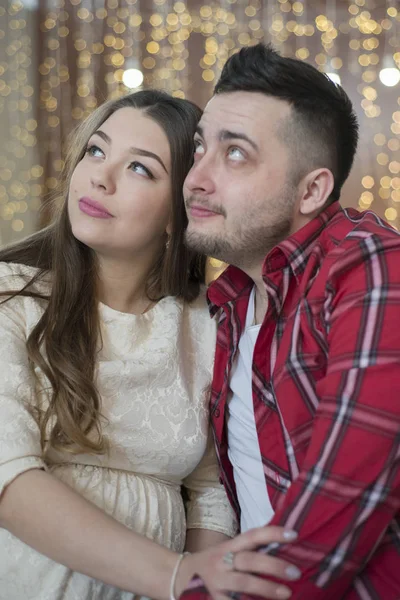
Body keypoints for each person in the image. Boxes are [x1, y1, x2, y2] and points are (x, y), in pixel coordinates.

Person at [0, 89, 304, 600]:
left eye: (139, 169)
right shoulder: (13, 296)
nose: (100, 176)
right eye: (96, 151)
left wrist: (200, 583)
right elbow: (9, 482)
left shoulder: (207, 324)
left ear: (180, 210)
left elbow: (211, 490)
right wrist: (173, 574)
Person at [181, 43, 400, 599]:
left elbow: (344, 495)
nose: (196, 179)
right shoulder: (221, 307)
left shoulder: (371, 265)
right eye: (200, 147)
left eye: (235, 155)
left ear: (312, 190)